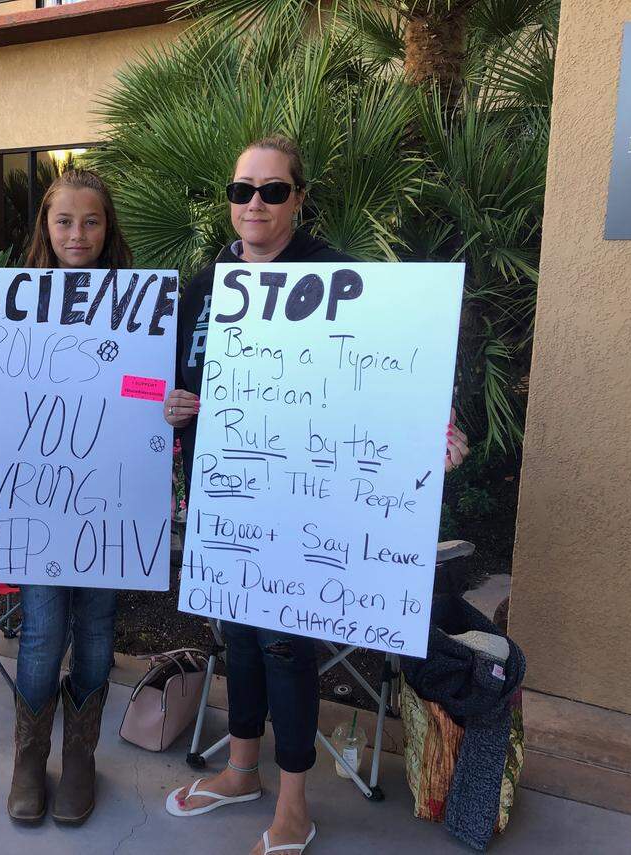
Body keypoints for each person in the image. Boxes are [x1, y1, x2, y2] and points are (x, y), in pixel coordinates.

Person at [162, 137, 470, 855]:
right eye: (243, 191)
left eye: (273, 190)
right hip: (224, 489)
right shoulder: (208, 286)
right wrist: (176, 405)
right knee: (236, 633)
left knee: (284, 642)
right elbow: (180, 380)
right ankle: (241, 770)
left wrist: (436, 431)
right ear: (229, 199)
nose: (256, 205)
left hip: (301, 498)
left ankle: (294, 803)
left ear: (300, 198)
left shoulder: (337, 275)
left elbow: (389, 372)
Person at [3, 168, 134, 826]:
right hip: (36, 499)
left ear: (108, 228)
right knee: (41, 633)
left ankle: (80, 756)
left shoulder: (138, 305)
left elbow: (140, 385)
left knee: (96, 634)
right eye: (64, 221)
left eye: (91, 221)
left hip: (108, 496)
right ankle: (29, 758)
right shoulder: (13, 302)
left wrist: (156, 402)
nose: (78, 234)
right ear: (44, 228)